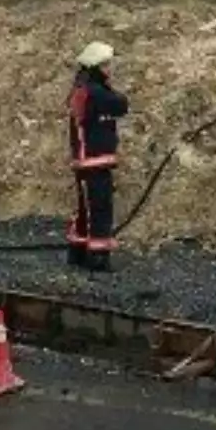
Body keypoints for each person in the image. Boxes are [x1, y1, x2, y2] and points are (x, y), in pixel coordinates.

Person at [67, 41, 129, 271]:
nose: (109, 68)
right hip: (93, 160)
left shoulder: (83, 89)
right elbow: (120, 104)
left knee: (86, 209)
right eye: (106, 64)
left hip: (87, 160)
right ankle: (98, 257)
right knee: (99, 208)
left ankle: (78, 252)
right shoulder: (95, 92)